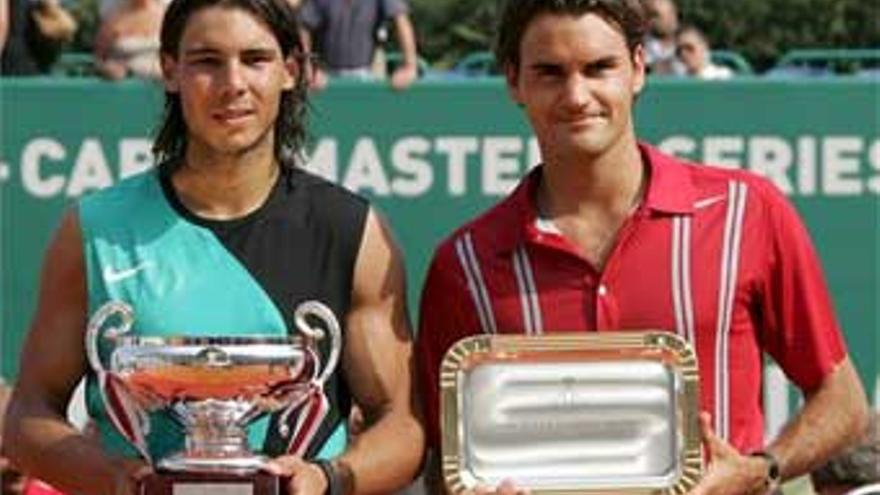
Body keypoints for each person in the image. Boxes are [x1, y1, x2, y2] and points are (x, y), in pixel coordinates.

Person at [415, 0, 869, 494]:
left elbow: (842, 400)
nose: (576, 94)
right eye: (549, 72)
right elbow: (446, 464)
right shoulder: (465, 264)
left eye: (598, 68)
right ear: (513, 81)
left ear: (637, 68)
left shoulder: (746, 211)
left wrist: (762, 469)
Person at [4, 0, 424, 493]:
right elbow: (28, 415)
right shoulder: (96, 229)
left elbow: (403, 426)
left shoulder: (353, 231)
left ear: (291, 71)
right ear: (169, 71)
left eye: (255, 59)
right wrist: (114, 480)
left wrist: (324, 479)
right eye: (206, 61)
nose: (233, 84)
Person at [297, 0, 419, 90]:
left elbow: (401, 20)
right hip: (328, 75)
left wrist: (410, 67)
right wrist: (307, 68)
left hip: (370, 73)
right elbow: (303, 27)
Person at [93, 0, 164, 80]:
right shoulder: (114, 19)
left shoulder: (165, 16)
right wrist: (107, 68)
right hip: (127, 86)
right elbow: (98, 59)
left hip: (162, 84)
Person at [643, 0, 683, 75]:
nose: (651, 20)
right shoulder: (640, 44)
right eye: (651, 15)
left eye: (655, 15)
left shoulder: (690, 40)